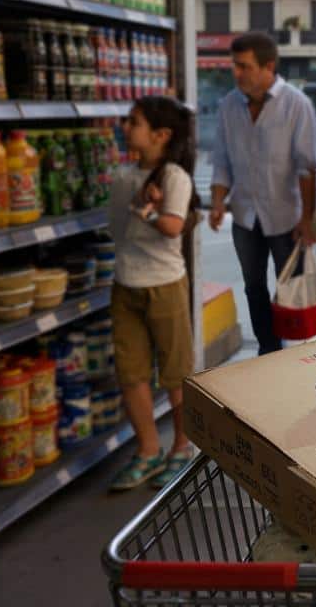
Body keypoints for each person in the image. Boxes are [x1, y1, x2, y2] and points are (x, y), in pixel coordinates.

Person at [107, 96, 197, 490]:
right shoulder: (125, 176)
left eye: (134, 122)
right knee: (132, 372)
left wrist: (149, 213)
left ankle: (182, 446)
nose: (125, 127)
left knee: (175, 374)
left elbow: (174, 227)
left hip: (164, 284)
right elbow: (114, 230)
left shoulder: (173, 176)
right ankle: (147, 450)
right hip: (126, 282)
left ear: (160, 135)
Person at [209, 32, 316, 354]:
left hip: (286, 217)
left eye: (244, 66)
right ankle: (267, 351)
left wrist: (308, 219)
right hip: (245, 216)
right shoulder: (229, 105)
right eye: (234, 66)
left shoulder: (296, 104)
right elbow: (221, 160)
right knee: (253, 287)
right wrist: (217, 202)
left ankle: (296, 353)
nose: (236, 73)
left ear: (268, 66)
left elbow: (307, 167)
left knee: (289, 290)